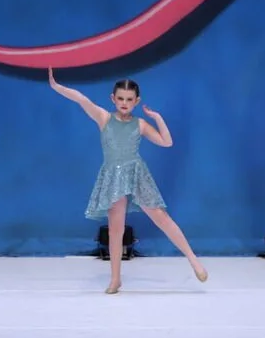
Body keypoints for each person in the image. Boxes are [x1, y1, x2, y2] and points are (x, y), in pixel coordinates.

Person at [48, 67, 209, 294]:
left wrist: (157, 118)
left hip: (136, 174)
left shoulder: (140, 124)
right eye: (120, 99)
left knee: (161, 217)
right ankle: (115, 279)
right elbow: (81, 100)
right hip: (113, 176)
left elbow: (166, 142)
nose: (124, 103)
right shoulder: (104, 118)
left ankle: (194, 260)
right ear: (113, 99)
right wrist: (57, 87)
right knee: (115, 229)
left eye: (129, 99)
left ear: (136, 101)